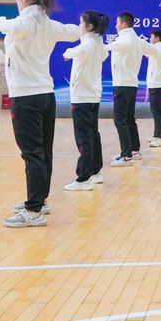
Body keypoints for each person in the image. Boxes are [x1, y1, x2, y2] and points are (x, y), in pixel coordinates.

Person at [0, 0, 81, 228]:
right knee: (43, 151)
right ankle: (40, 200)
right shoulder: (49, 24)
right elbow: (74, 32)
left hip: (26, 97)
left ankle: (34, 210)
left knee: (32, 153)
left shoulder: (24, 22)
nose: (16, 0)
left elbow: (3, 24)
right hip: (45, 96)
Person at [63, 11, 111, 191]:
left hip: (82, 96)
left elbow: (71, 51)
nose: (79, 26)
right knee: (92, 134)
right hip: (92, 96)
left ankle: (83, 178)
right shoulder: (98, 43)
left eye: (81, 23)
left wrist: (67, 53)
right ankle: (95, 171)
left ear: (89, 26)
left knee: (84, 137)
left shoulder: (88, 44)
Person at [107, 12, 145, 167]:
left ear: (123, 24)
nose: (115, 26)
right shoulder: (137, 39)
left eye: (117, 23)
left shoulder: (124, 39)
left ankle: (127, 156)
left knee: (120, 120)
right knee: (129, 118)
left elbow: (107, 47)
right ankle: (134, 150)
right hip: (131, 84)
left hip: (122, 85)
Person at [144, 29, 161, 148]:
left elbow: (147, 49)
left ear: (157, 38)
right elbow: (146, 52)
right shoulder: (160, 49)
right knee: (157, 110)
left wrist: (138, 42)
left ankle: (158, 137)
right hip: (157, 84)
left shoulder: (158, 49)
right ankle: (160, 135)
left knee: (156, 111)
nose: (150, 39)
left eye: (151, 37)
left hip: (157, 85)